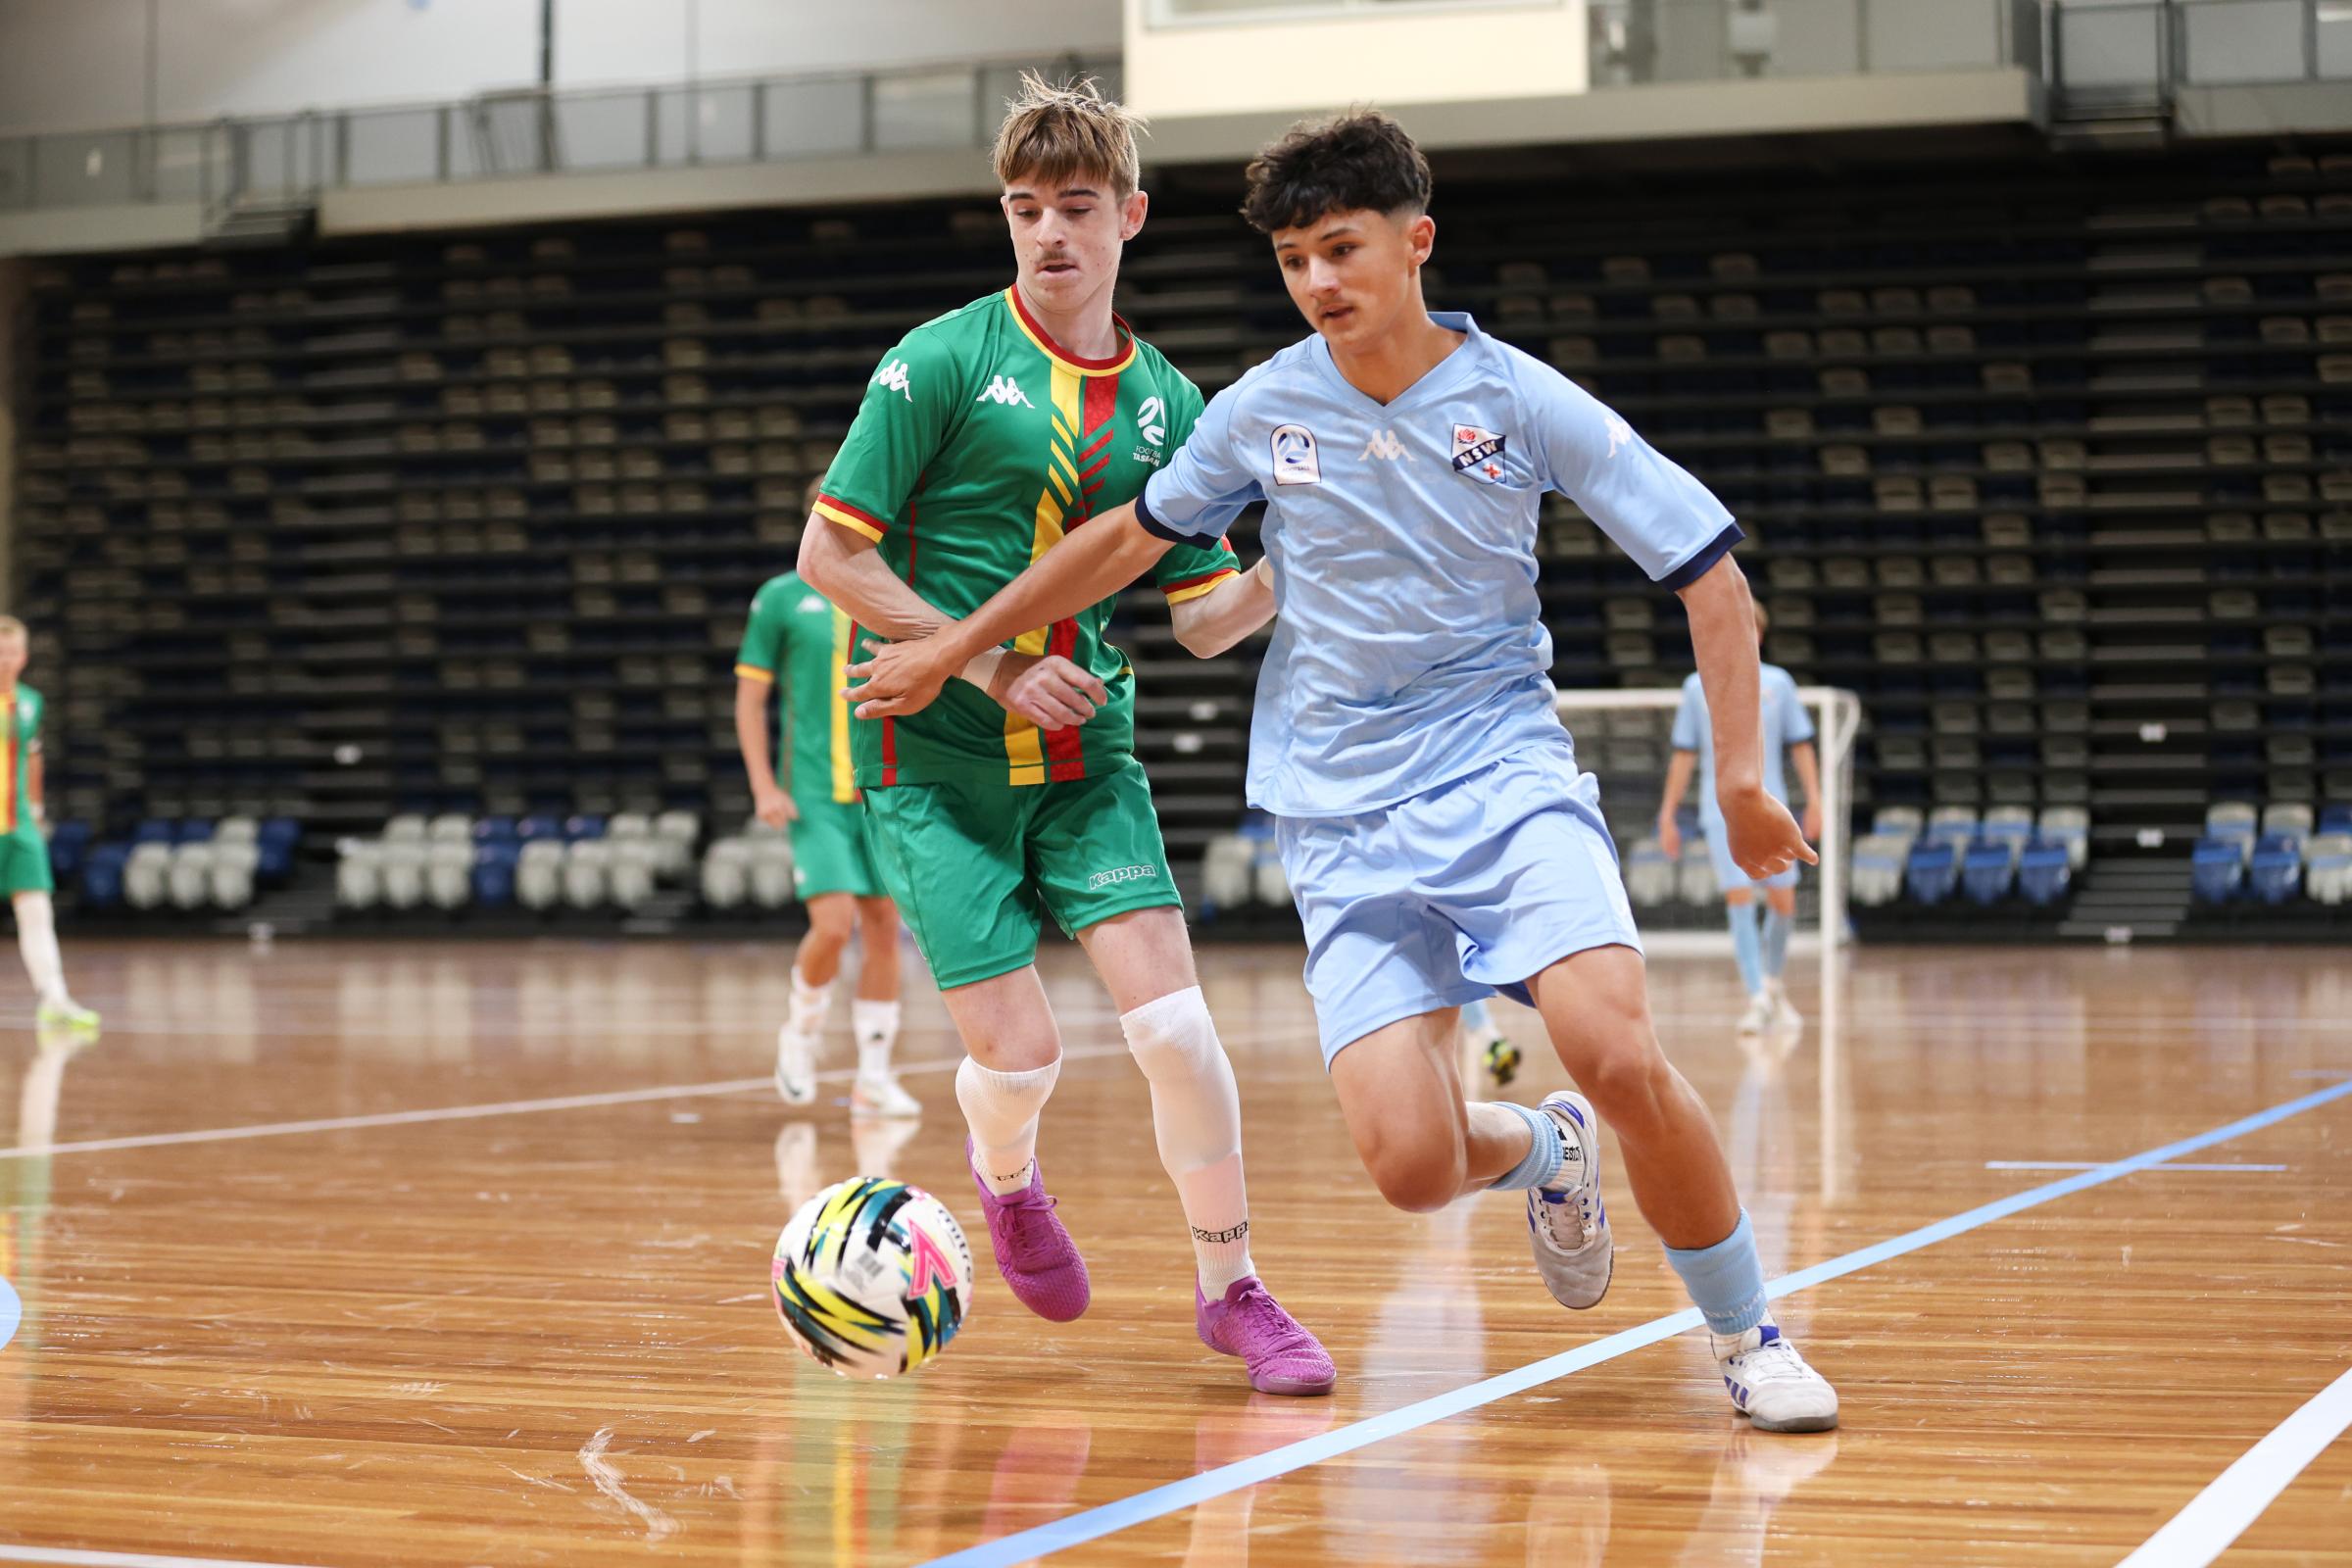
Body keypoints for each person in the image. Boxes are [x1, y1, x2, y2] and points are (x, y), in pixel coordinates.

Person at [848, 110, 1838, 1432]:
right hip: (1338, 814)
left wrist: (1738, 786)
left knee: (1612, 1047)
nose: (1319, 282)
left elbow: (1716, 584)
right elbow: (1118, 549)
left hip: (1501, 775)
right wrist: (962, 646)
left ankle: (1746, 1336)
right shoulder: (1265, 407)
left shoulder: (1518, 397)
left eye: (1343, 249)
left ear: (1415, 242)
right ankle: (1544, 1151)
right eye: (1295, 260)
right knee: (1415, 1167)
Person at [795, 75, 1332, 1396]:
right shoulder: (939, 359)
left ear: (1130, 217)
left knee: (1177, 1031)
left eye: (1077, 208)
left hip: (1091, 762)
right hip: (937, 759)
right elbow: (828, 554)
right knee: (1022, 1055)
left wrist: (1301, 559)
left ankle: (1232, 1289)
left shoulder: (1169, 402)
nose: (1048, 233)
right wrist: (989, 667)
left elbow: (1206, 620)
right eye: (1025, 208)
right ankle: (1007, 1179)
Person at [733, 479, 918, 1116]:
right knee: (833, 926)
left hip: (879, 788)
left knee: (885, 929)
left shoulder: (889, 596)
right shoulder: (783, 598)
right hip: (813, 791)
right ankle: (802, 1033)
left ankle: (873, 1076)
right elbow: (751, 698)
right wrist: (764, 784)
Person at [1654, 602, 1822, 1037]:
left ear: (1759, 634)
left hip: (1774, 807)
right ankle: (1756, 997)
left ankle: (1773, 983)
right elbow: (1684, 754)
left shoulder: (1778, 683)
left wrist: (1816, 800)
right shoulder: (1696, 687)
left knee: (1783, 902)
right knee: (1739, 898)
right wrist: (1668, 812)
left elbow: (1800, 744)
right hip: (1719, 812)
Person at [0, 619, 98, 1036]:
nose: (4, 660)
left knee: (37, 910)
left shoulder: (30, 702)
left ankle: (55, 999)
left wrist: (36, 809)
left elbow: (34, 756)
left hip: (18, 822)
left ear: (23, 657)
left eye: (10, 652)